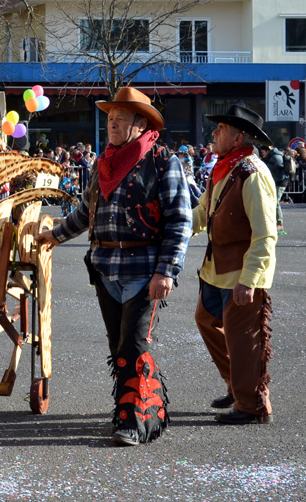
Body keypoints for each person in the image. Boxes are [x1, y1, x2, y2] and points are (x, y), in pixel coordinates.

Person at [39, 87, 192, 446]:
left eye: (121, 117)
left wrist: (166, 271)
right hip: (105, 268)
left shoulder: (163, 161)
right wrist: (55, 236)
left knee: (134, 347)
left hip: (144, 271)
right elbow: (86, 212)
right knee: (119, 347)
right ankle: (131, 411)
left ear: (141, 124)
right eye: (110, 117)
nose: (113, 122)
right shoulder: (103, 163)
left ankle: (136, 422)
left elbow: (180, 220)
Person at [191, 104, 277, 425]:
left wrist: (251, 279)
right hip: (217, 269)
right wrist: (172, 231)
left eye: (221, 129)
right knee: (205, 320)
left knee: (243, 339)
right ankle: (237, 385)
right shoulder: (224, 167)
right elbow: (203, 212)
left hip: (241, 273)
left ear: (238, 136)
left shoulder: (252, 174)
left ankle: (252, 403)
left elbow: (265, 234)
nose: (214, 133)